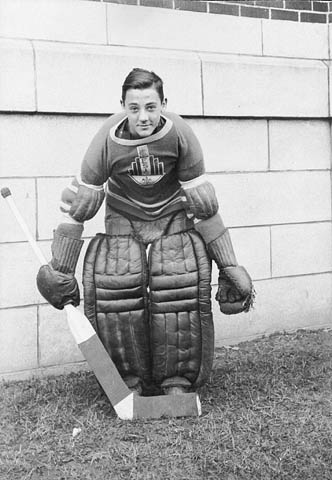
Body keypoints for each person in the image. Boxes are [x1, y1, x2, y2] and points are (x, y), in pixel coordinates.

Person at [37, 68, 254, 396]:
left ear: (164, 104)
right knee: (117, 289)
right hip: (123, 215)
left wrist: (229, 265)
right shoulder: (106, 140)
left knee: (179, 286)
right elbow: (80, 205)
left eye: (151, 107)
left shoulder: (180, 134)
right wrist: (60, 269)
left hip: (172, 215)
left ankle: (177, 380)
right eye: (134, 108)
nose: (143, 117)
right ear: (121, 105)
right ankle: (129, 381)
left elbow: (203, 206)